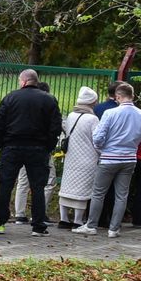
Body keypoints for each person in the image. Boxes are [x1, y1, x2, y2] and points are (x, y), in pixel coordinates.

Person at [0, 68, 62, 235]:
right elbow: (55, 127)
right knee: (38, 187)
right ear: (35, 81)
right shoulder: (49, 100)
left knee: (5, 186)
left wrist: (2, 144)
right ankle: (38, 225)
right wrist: (48, 146)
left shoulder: (10, 98)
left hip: (11, 147)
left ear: (23, 81)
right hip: (38, 148)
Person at [75, 82, 141, 237]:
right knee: (122, 195)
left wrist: (102, 147)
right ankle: (114, 229)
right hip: (129, 158)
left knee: (98, 193)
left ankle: (92, 225)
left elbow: (98, 136)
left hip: (109, 158)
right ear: (133, 96)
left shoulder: (110, 113)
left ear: (118, 97)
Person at [56, 87, 101, 227]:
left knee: (66, 189)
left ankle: (63, 219)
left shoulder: (71, 116)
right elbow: (98, 140)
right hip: (87, 159)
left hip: (71, 157)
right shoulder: (93, 119)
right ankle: (77, 220)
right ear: (92, 102)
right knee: (82, 190)